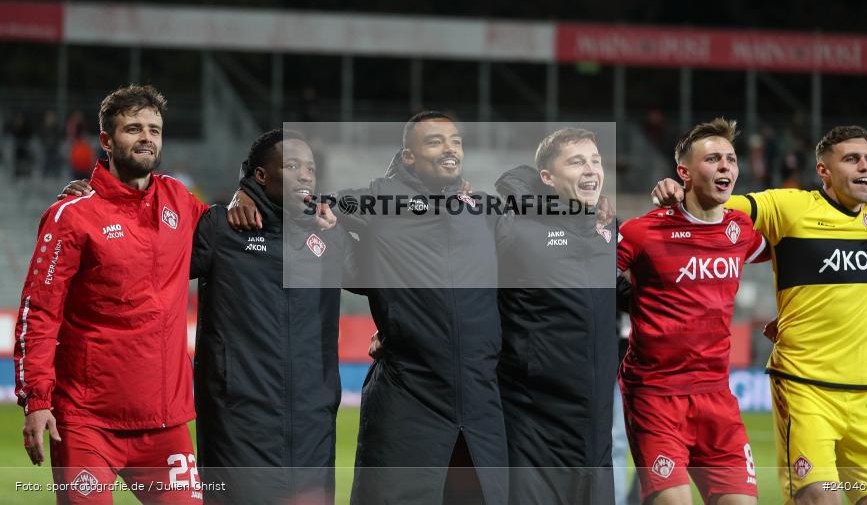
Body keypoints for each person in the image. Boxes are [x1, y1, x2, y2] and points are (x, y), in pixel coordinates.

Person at [231, 112, 508, 505]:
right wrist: (245, 190)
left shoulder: (484, 211)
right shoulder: (378, 201)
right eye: (435, 141)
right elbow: (300, 202)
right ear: (408, 157)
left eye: (456, 141)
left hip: (481, 410)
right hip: (410, 403)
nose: (450, 148)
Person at [651, 125, 867, 505]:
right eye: (851, 159)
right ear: (824, 171)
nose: (864, 166)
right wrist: (678, 192)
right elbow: (721, 206)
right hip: (806, 389)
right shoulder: (791, 207)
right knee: (819, 498)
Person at [14, 85, 208, 503]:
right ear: (106, 140)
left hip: (165, 424)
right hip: (86, 423)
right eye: (133, 128)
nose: (147, 138)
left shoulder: (179, 199)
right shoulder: (73, 216)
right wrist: (36, 400)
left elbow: (233, 234)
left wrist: (255, 196)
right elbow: (38, 313)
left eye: (155, 130)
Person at [189, 128, 350, 504]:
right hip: (239, 427)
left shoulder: (328, 234)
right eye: (292, 165)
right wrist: (92, 196)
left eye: (310, 168)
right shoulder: (222, 229)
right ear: (260, 175)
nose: (306, 175)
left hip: (313, 425)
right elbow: (152, 253)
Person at [618, 119, 766, 505]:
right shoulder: (642, 232)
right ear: (683, 172)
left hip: (717, 397)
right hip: (656, 395)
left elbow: (798, 257)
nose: (726, 167)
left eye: (731, 160)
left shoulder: (741, 229)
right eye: (713, 159)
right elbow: (583, 276)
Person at [493, 128, 617, 504]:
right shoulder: (514, 230)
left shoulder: (608, 233)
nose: (591, 170)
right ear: (546, 177)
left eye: (596, 160)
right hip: (534, 433)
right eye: (577, 162)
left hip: (595, 439)